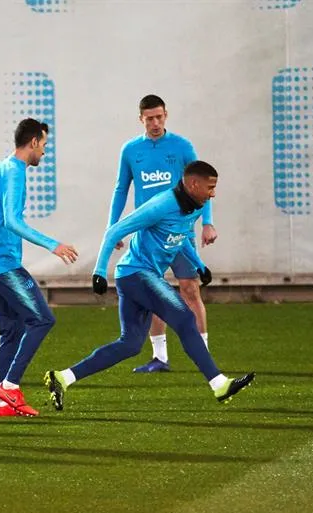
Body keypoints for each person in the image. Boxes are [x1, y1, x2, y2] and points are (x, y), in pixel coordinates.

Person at [44, 161, 253, 410]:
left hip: (141, 276)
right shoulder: (160, 205)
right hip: (137, 274)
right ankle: (219, 383)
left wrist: (199, 265)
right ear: (194, 184)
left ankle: (62, 378)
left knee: (130, 344)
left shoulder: (196, 206)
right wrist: (98, 272)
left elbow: (183, 236)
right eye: (210, 187)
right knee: (185, 318)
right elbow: (114, 232)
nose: (213, 193)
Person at [0, 118, 78, 417]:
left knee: (11, 330)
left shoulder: (1, 166)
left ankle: (0, 404)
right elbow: (12, 221)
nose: (45, 152)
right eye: (44, 145)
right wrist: (53, 245)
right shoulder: (15, 172)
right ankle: (9, 387)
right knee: (42, 319)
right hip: (2, 262)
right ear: (33, 142)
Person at [108, 94, 217, 373]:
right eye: (149, 118)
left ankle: (201, 353)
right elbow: (121, 189)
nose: (155, 123)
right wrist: (114, 226)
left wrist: (207, 222)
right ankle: (160, 357)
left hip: (179, 232)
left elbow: (203, 184)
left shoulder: (181, 147)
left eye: (159, 117)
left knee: (190, 289)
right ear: (141, 119)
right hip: (147, 236)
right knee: (153, 293)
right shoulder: (131, 150)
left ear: (166, 115)